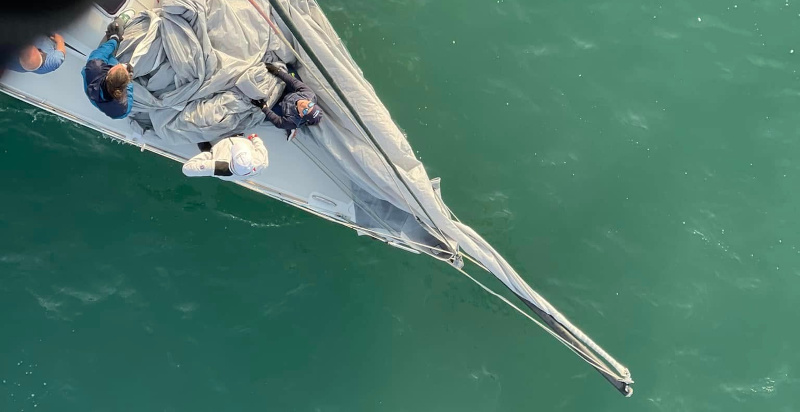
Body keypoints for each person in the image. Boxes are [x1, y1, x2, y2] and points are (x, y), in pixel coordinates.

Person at [251, 63, 323, 136]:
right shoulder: (309, 94)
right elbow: (293, 82)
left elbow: (278, 122)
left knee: (262, 112)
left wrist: (264, 108)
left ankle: (291, 129)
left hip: (283, 108)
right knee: (290, 71)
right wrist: (277, 71)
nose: (305, 105)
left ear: (301, 115)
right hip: (290, 92)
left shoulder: (292, 121)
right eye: (310, 105)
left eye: (305, 110)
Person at [81, 19, 133, 119]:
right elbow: (129, 95)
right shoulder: (122, 110)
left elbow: (102, 51)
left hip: (93, 87)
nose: (123, 65)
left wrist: (114, 38)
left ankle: (119, 22)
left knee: (114, 28)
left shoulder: (94, 68)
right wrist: (130, 80)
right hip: (97, 97)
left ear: (108, 74)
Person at [182, 134, 269, 181]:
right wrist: (255, 138)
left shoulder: (219, 167)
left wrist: (209, 155)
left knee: (198, 136)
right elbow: (261, 148)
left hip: (218, 149)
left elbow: (187, 169)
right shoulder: (260, 162)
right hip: (238, 135)